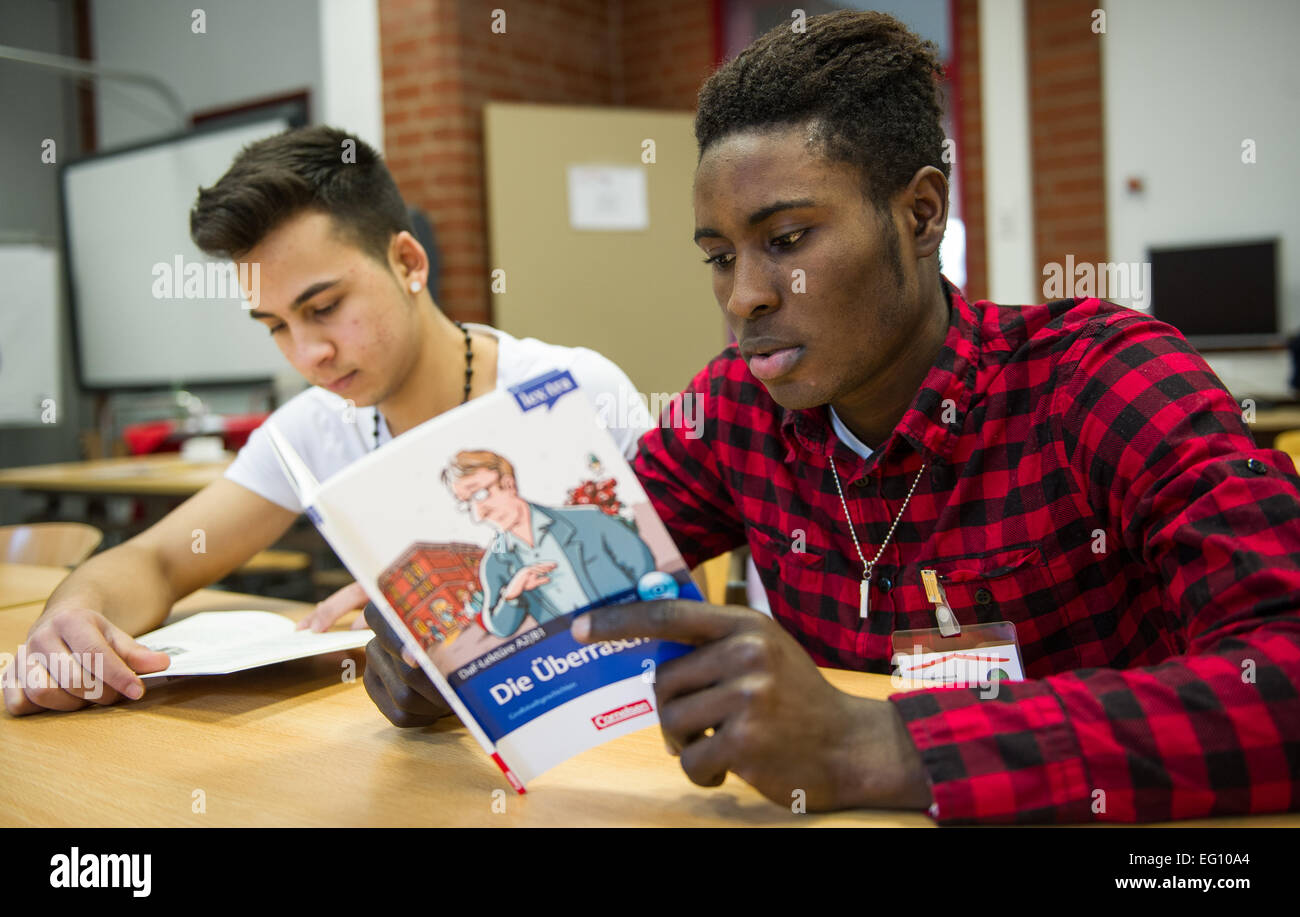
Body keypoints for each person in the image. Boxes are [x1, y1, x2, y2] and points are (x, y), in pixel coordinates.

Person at [363, 11, 1300, 824]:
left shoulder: (1102, 377)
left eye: (786, 241)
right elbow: (578, 578)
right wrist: (450, 661)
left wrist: (883, 744)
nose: (745, 298)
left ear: (921, 214)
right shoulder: (732, 408)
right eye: (719, 256)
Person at [4, 126, 649, 717]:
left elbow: (674, 595)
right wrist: (74, 614)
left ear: (408, 263)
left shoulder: (571, 392)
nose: (307, 353)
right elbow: (158, 560)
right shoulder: (309, 430)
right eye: (277, 325)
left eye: (325, 306)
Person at [444, 450, 655, 636]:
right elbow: (500, 628)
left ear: (508, 484)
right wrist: (512, 595)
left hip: (638, 633)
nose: (478, 514)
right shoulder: (495, 562)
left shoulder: (588, 520)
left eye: (479, 494)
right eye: (466, 504)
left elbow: (643, 567)